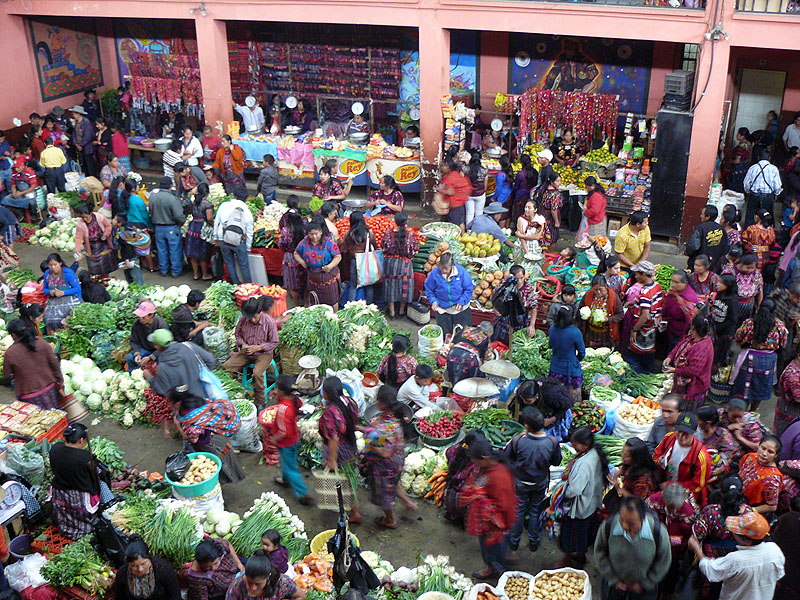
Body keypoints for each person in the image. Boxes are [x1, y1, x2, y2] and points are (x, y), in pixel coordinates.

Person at [688, 511, 785, 600]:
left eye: (736, 533)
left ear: (748, 542)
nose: (733, 534)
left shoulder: (736, 560)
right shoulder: (775, 550)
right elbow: (779, 575)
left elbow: (711, 570)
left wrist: (697, 549)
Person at [504, 406, 561, 555]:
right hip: (539, 483)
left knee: (519, 511)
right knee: (535, 510)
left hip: (520, 483)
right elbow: (557, 462)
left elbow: (508, 458)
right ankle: (534, 542)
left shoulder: (517, 441)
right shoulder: (552, 442)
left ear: (527, 426)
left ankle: (514, 542)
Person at [459, 439, 517, 580]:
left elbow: (504, 504)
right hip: (490, 519)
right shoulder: (489, 467)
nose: (475, 464)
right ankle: (500, 561)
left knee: (492, 548)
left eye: (476, 461)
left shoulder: (498, 476)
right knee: (498, 546)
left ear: (484, 458)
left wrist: (482, 500)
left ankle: (494, 569)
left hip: (495, 522)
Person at [594, 496, 672, 600]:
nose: (625, 526)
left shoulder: (658, 532)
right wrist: (612, 579)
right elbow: (599, 552)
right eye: (622, 519)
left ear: (643, 519)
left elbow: (664, 560)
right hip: (614, 587)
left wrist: (647, 582)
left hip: (644, 591)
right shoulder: (608, 527)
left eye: (631, 523)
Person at [361, 386, 416, 528]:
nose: (376, 402)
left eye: (377, 400)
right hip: (398, 460)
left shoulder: (384, 427)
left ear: (383, 404)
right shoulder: (396, 418)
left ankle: (390, 520)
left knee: (383, 494)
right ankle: (408, 502)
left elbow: (385, 453)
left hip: (385, 464)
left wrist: (371, 446)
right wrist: (362, 429)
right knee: (393, 482)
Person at [168, 386, 245, 484]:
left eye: (171, 403)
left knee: (218, 468)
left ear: (178, 403)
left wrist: (178, 426)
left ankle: (217, 486)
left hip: (214, 445)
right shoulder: (195, 401)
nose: (169, 405)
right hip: (219, 437)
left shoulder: (190, 418)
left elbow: (193, 440)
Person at [557, 426, 608, 568]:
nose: (573, 447)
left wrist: (561, 493)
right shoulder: (594, 453)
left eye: (575, 444)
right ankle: (580, 556)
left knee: (571, 536)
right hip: (590, 503)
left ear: (585, 445)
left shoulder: (583, 464)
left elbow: (574, 490)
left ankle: (568, 561)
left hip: (580, 507)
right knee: (582, 534)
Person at [49, 424, 107, 540]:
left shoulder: (55, 448)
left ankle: (67, 528)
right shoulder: (85, 457)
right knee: (103, 488)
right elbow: (94, 478)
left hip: (59, 493)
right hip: (79, 498)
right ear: (81, 440)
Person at [319, 377, 362, 523]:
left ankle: (353, 512)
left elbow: (333, 438)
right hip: (351, 444)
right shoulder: (350, 402)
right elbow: (354, 420)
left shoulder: (330, 413)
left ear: (326, 394)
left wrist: (332, 460)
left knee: (343, 480)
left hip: (339, 450)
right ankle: (347, 505)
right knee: (348, 477)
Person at [732, 299, 788, 410]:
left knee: (746, 388)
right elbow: (783, 344)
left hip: (750, 358)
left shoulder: (749, 323)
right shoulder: (779, 327)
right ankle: (753, 412)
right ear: (773, 311)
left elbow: (738, 336)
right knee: (761, 387)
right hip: (768, 361)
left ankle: (743, 411)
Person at [223, 298, 278, 408]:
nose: (252, 320)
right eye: (250, 317)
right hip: (247, 351)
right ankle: (235, 392)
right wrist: (243, 344)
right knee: (226, 366)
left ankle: (260, 402)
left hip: (264, 354)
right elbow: (237, 334)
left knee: (257, 374)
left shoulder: (269, 322)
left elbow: (274, 342)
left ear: (260, 312)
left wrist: (258, 348)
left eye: (255, 317)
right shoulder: (243, 319)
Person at [265, 375, 312, 504]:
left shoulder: (282, 409)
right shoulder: (293, 400)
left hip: (285, 443)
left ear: (281, 391)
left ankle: (303, 493)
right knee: (287, 462)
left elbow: (282, 431)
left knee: (291, 468)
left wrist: (274, 439)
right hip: (294, 438)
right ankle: (285, 480)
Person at [644, 484, 696, 597]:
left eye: (676, 507)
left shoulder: (687, 511)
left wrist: (674, 542)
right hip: (654, 542)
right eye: (670, 506)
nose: (674, 510)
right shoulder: (654, 501)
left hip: (674, 549)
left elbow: (688, 536)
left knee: (670, 573)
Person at [2, 319, 62, 408]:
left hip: (28, 395)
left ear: (13, 335)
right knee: (55, 416)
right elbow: (54, 363)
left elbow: (6, 374)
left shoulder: (10, 353)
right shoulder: (41, 342)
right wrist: (60, 382)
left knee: (39, 420)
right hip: (49, 388)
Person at [653, 413, 711, 504]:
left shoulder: (701, 456)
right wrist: (658, 461)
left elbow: (697, 485)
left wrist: (671, 486)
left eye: (686, 434)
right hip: (663, 484)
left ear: (695, 432)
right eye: (679, 431)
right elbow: (656, 455)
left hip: (683, 497)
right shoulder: (669, 438)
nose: (681, 437)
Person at [146, 329, 216, 400]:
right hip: (205, 395)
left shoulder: (163, 368)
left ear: (157, 347)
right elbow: (210, 360)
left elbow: (163, 391)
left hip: (186, 405)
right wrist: (199, 376)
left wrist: (149, 378)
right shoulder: (189, 346)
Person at [663, 313, 714, 411]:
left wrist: (674, 370)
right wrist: (670, 357)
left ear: (693, 327)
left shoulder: (702, 348)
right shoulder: (692, 336)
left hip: (694, 387)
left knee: (686, 412)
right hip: (681, 383)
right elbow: (680, 344)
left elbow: (692, 371)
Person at [625, 261, 664, 374]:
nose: (635, 276)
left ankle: (640, 375)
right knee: (649, 354)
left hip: (644, 329)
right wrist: (635, 303)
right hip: (652, 328)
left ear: (644, 274)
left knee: (634, 356)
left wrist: (634, 329)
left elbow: (645, 315)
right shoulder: (656, 286)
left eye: (637, 273)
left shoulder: (645, 292)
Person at [294, 218, 342, 307]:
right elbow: (296, 253)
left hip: (327, 276)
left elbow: (338, 256)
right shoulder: (304, 243)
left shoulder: (329, 243)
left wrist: (330, 266)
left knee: (332, 300)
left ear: (320, 232)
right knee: (315, 300)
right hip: (312, 277)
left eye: (316, 234)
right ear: (308, 234)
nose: (314, 236)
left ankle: (334, 318)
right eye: (311, 234)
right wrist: (303, 263)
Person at [379, 211, 418, 319]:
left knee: (390, 286)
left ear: (394, 221)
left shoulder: (388, 234)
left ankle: (392, 313)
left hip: (390, 264)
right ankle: (401, 311)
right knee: (404, 286)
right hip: (405, 264)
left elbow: (383, 248)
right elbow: (414, 251)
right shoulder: (410, 235)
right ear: (406, 222)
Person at [115, 536, 181, 600]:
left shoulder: (164, 569)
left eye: (144, 564)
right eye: (134, 566)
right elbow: (119, 597)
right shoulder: (122, 574)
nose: (140, 569)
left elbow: (175, 596)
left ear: (149, 558)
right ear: (128, 564)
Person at [424, 252, 474, 335]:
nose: (443, 270)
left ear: (452, 266)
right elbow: (429, 290)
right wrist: (434, 301)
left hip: (460, 309)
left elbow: (468, 289)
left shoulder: (461, 272)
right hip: (443, 309)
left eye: (446, 268)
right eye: (441, 267)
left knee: (464, 334)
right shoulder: (434, 274)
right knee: (446, 335)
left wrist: (462, 301)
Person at [225, 551, 303, 600]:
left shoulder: (282, 582)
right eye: (249, 582)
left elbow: (300, 595)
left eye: (258, 584)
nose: (253, 587)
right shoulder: (237, 586)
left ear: (268, 576)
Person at [491, 264, 538, 344]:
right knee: (498, 345)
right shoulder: (504, 285)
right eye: (517, 278)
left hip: (519, 324)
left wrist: (532, 325)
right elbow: (494, 297)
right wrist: (495, 308)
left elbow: (534, 307)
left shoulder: (528, 289)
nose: (519, 281)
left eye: (521, 278)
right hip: (502, 323)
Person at [148, 177, 185, 278]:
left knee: (161, 250)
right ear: (170, 186)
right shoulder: (173, 199)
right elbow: (178, 216)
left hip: (158, 228)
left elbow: (150, 211)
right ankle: (175, 271)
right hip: (171, 228)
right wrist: (182, 222)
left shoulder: (153, 197)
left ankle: (163, 270)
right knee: (174, 250)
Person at [214, 192, 254, 285]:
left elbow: (217, 221)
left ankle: (235, 284)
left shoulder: (224, 205)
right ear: (246, 199)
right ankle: (248, 286)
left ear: (235, 197)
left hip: (224, 238)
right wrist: (248, 247)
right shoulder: (247, 212)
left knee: (229, 263)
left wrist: (215, 236)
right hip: (239, 241)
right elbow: (249, 232)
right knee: (244, 265)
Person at [548, 305, 585, 400]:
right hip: (570, 371)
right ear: (572, 317)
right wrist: (576, 360)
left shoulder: (552, 329)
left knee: (556, 398)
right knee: (572, 401)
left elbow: (551, 345)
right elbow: (582, 353)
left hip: (555, 368)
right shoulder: (575, 332)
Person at [608, 438, 660, 505]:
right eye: (623, 452)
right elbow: (621, 472)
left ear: (636, 458)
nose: (622, 456)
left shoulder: (644, 480)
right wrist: (617, 474)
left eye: (627, 456)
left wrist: (619, 489)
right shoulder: (629, 465)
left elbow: (637, 501)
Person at [739, 435, 783, 516]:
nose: (764, 454)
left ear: (776, 455)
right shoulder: (750, 457)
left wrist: (749, 510)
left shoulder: (772, 479)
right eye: (763, 448)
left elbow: (772, 507)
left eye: (770, 452)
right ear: (758, 446)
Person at [339, 211, 377, 305]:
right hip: (366, 262)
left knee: (353, 285)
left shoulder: (349, 233)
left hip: (354, 261)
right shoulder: (368, 233)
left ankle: (351, 307)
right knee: (369, 285)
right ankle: (369, 306)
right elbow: (375, 246)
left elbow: (344, 249)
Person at [577, 275, 623, 348]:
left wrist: (608, 319)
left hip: (606, 334)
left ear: (606, 287)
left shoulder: (613, 297)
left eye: (600, 289)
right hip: (590, 333)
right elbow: (579, 310)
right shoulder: (589, 295)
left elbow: (620, 315)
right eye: (595, 289)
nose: (598, 292)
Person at [41, 253, 82, 331]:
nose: (53, 267)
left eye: (55, 264)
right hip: (54, 299)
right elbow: (44, 289)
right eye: (50, 265)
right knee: (49, 319)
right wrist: (50, 292)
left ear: (60, 263)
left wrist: (63, 292)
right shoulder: (47, 274)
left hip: (70, 298)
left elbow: (77, 289)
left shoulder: (68, 273)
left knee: (69, 319)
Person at [445, 322, 493, 386]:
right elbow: (484, 360)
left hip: (453, 353)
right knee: (468, 382)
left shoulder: (466, 329)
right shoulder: (485, 338)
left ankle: (453, 390)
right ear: (489, 332)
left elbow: (451, 345)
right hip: (469, 359)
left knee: (453, 375)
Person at [74, 204, 116, 277]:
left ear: (91, 213)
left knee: (105, 266)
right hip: (91, 247)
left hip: (103, 245)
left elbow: (108, 225)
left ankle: (106, 279)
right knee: (94, 270)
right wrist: (78, 250)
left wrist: (106, 234)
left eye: (86, 217)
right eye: (82, 217)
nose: (84, 219)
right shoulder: (80, 224)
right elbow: (78, 237)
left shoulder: (99, 217)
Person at [696, 405, 738, 477]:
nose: (696, 422)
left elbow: (729, 458)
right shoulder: (697, 431)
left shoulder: (723, 436)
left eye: (698, 420)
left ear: (708, 423)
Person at [743, 149, 782, 227]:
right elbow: (777, 186)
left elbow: (746, 184)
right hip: (767, 196)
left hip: (754, 195)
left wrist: (749, 192)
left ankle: (749, 235)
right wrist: (776, 194)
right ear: (769, 158)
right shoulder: (774, 169)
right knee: (766, 218)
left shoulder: (753, 168)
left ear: (758, 158)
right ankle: (765, 235)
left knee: (751, 217)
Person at [126, 301, 168, 372]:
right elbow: (134, 341)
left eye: (143, 317)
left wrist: (151, 357)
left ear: (151, 315)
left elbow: (164, 346)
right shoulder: (137, 324)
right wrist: (137, 354)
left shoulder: (161, 325)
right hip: (144, 349)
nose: (140, 319)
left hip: (159, 351)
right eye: (139, 316)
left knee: (161, 363)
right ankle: (133, 376)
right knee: (130, 357)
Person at [184, 183, 215, 280]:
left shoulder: (194, 201)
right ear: (207, 193)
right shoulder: (207, 204)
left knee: (193, 254)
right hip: (202, 229)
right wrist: (214, 225)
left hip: (193, 227)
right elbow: (209, 218)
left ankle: (196, 274)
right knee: (202, 254)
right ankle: (205, 274)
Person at [277, 211, 306, 308]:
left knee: (293, 285)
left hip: (290, 258)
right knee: (305, 282)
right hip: (303, 256)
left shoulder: (286, 230)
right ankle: (306, 303)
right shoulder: (304, 229)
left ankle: (297, 305)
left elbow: (281, 244)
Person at [687, 205, 729, 271]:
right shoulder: (722, 229)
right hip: (715, 267)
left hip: (699, 265)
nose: (700, 216)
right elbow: (726, 248)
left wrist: (688, 253)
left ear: (707, 217)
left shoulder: (700, 229)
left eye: (702, 214)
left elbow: (693, 247)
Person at [114, 214, 148, 285]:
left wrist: (127, 259)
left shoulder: (126, 234)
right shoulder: (120, 231)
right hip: (126, 259)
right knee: (129, 277)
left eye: (114, 219)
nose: (112, 220)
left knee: (136, 278)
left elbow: (128, 247)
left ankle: (140, 293)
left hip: (131, 259)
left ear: (119, 223)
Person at [439, 160, 471, 233]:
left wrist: (441, 190)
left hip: (454, 204)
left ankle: (462, 239)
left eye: (444, 166)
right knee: (458, 221)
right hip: (457, 203)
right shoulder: (454, 175)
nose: (442, 167)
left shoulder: (451, 177)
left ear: (449, 168)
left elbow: (450, 191)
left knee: (458, 222)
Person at [777, 346, 800, 436]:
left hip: (789, 408)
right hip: (790, 411)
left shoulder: (795, 366)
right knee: (786, 438)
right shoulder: (793, 375)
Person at [510, 154, 537, 224]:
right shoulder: (535, 172)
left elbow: (516, 186)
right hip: (531, 196)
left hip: (520, 196)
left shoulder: (521, 174)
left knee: (519, 214)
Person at [539, 171, 563, 250]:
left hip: (543, 214)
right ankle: (549, 256)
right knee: (553, 239)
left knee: (542, 236)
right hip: (550, 217)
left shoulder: (545, 189)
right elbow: (554, 210)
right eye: (557, 181)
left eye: (560, 181)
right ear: (552, 181)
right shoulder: (555, 194)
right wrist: (556, 222)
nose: (559, 183)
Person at [71, 106, 95, 176]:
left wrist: (81, 145)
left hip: (87, 147)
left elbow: (88, 136)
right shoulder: (76, 122)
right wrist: (76, 144)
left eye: (74, 114)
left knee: (89, 165)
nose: (73, 116)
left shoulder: (86, 122)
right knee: (83, 164)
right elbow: (74, 134)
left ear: (79, 114)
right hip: (79, 147)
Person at [726, 127, 752, 193]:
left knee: (734, 189)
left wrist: (729, 162)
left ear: (742, 136)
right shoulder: (749, 144)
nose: (736, 135)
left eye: (738, 134)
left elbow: (737, 161)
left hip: (738, 169)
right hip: (745, 168)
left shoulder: (740, 147)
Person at [466, 153, 488, 227]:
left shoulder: (467, 169)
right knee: (479, 213)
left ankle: (468, 231)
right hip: (480, 194)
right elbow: (485, 185)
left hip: (469, 194)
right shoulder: (484, 171)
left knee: (469, 213)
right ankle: (478, 229)